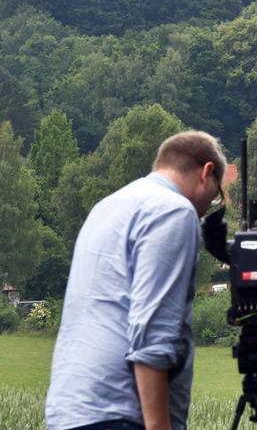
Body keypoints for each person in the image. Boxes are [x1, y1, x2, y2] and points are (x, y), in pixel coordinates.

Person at [46, 131, 227, 430]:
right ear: (207, 172)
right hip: (121, 414)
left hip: (68, 412)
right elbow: (153, 332)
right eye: (216, 195)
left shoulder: (106, 208)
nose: (209, 208)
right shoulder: (174, 211)